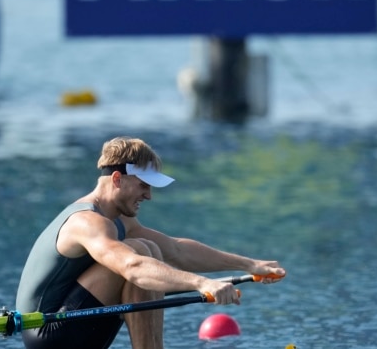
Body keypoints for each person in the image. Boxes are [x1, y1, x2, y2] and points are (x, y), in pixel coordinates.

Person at [15, 136, 286, 349]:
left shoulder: (120, 221)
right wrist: (202, 284)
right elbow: (132, 267)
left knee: (151, 248)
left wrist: (251, 265)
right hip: (49, 332)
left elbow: (177, 250)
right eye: (144, 185)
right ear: (117, 179)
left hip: (77, 325)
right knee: (140, 252)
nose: (149, 196)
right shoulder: (86, 222)